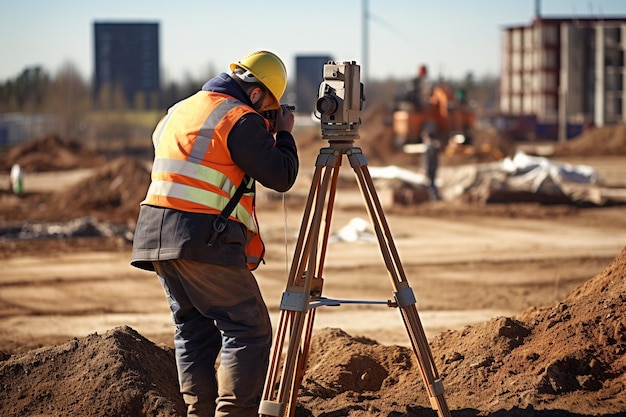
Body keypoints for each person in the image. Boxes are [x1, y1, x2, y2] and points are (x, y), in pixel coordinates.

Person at [130, 50, 299, 417]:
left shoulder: (181, 109)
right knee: (248, 329)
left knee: (194, 331)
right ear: (256, 95)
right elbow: (281, 175)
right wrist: (283, 133)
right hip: (202, 239)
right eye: (268, 107)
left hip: (155, 236)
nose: (266, 116)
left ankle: (199, 413)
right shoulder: (239, 117)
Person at [420, 129, 440, 201]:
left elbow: (427, 159)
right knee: (432, 181)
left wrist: (424, 168)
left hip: (430, 167)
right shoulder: (434, 145)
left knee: (431, 182)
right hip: (434, 167)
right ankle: (435, 196)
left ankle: (433, 197)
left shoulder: (428, 146)